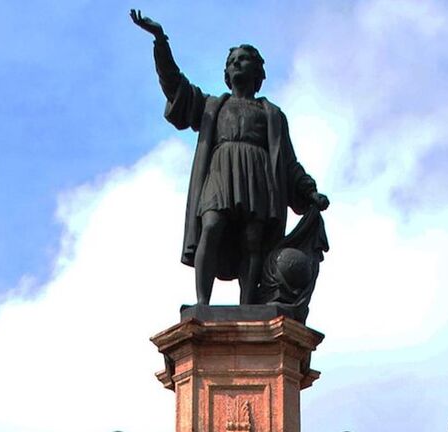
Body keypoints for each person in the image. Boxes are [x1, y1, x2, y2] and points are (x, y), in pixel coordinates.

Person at [130, 9, 330, 306]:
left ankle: (248, 306)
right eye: (231, 61)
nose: (236, 63)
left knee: (253, 241)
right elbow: (175, 87)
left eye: (243, 59)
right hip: (222, 173)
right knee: (210, 226)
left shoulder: (272, 114)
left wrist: (309, 190)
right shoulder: (212, 106)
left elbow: (288, 163)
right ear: (226, 74)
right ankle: (202, 302)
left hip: (258, 177)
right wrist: (161, 42)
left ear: (258, 72)